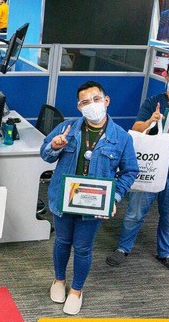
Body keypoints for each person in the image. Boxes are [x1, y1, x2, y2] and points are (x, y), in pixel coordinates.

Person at [41, 81, 138, 315]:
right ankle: (59, 280)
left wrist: (113, 197)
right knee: (62, 242)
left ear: (106, 101)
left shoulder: (121, 138)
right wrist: (54, 146)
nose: (91, 105)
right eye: (85, 102)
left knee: (83, 248)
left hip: (93, 204)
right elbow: (45, 154)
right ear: (79, 107)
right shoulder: (67, 129)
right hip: (63, 199)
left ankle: (76, 290)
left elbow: (130, 172)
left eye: (96, 99)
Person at [106, 57, 169, 275]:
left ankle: (165, 253)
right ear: (166, 76)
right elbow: (136, 128)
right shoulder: (154, 101)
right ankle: (123, 248)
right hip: (150, 171)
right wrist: (152, 121)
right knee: (135, 214)